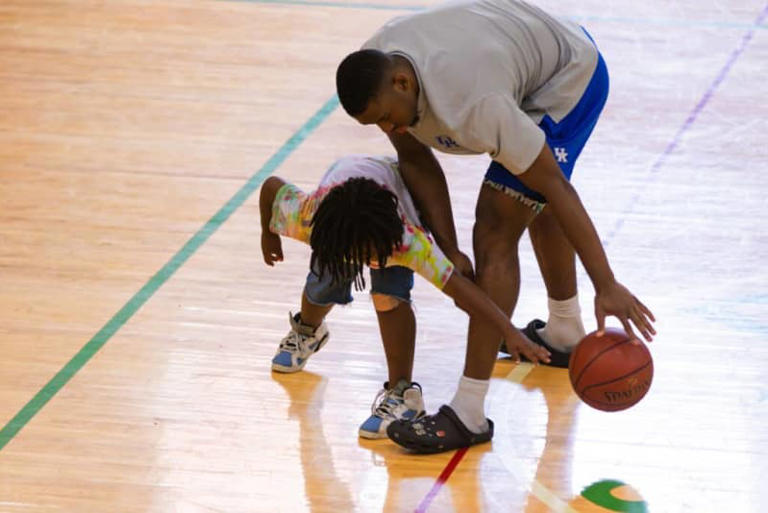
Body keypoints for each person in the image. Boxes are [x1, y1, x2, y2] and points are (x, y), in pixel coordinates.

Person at [335, 0, 656, 453]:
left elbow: (558, 189)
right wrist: (445, 245)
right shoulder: (378, 68)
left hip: (568, 79)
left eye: (386, 117)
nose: (387, 128)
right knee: (528, 198)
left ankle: (468, 413)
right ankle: (564, 332)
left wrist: (607, 283)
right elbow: (416, 161)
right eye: (376, 124)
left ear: (403, 82)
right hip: (516, 51)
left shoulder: (474, 103)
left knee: (496, 227)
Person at [259, 154, 550, 440]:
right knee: (324, 282)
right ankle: (308, 331)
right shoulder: (309, 218)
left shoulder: (406, 242)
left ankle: (402, 394)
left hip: (396, 189)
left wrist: (509, 331)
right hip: (342, 211)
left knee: (389, 298)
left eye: (376, 253)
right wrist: (267, 232)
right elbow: (272, 186)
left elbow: (463, 293)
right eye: (367, 256)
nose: (373, 261)